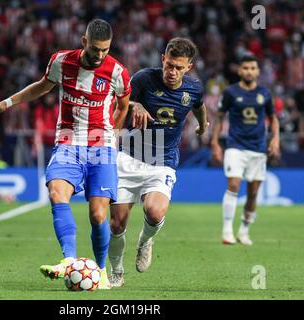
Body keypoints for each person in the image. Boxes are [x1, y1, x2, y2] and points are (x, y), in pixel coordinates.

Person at [0, 19, 133, 289]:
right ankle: (68, 260)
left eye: (106, 50)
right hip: (68, 141)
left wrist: (112, 136)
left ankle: (100, 271)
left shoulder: (118, 73)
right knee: (56, 193)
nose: (100, 55)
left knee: (99, 215)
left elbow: (123, 107)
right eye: (96, 49)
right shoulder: (61, 61)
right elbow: (43, 85)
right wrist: (6, 103)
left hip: (101, 146)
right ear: (84, 41)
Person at [108, 38, 208, 287]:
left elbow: (199, 106)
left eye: (179, 67)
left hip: (162, 160)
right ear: (163, 58)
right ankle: (117, 271)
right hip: (129, 156)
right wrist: (136, 104)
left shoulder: (194, 88)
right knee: (117, 223)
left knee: (153, 211)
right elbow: (114, 102)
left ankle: (145, 241)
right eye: (169, 65)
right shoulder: (143, 79)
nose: (172, 72)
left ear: (189, 68)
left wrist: (203, 124)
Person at [210, 55, 280, 246]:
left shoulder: (265, 93)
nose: (249, 71)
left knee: (253, 193)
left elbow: (273, 118)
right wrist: (215, 143)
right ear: (239, 71)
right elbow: (218, 117)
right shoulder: (230, 92)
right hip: (235, 146)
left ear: (257, 71)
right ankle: (226, 231)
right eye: (245, 68)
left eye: (252, 68)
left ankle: (244, 230)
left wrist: (275, 139)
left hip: (258, 148)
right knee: (233, 185)